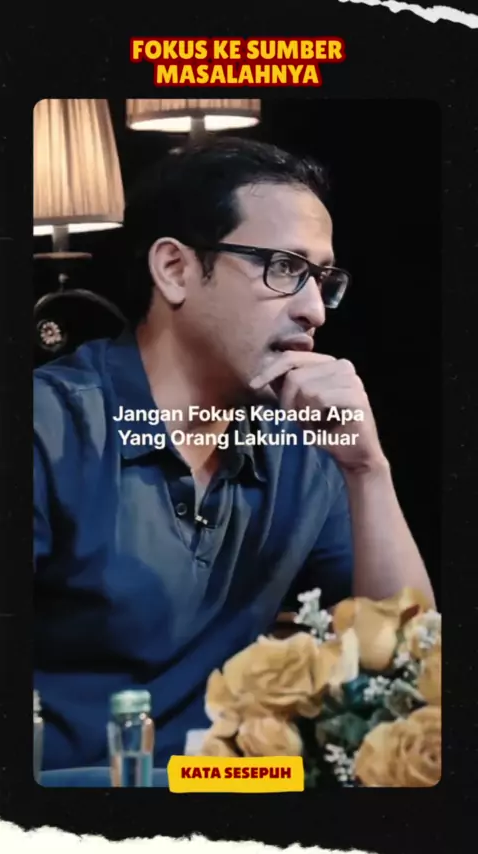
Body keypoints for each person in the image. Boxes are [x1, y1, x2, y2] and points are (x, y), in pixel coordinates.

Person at [34, 137, 435, 771]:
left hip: (231, 793)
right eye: (283, 267)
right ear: (175, 270)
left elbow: (411, 673)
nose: (313, 310)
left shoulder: (301, 445)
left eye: (321, 279)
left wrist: (367, 470)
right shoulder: (48, 427)